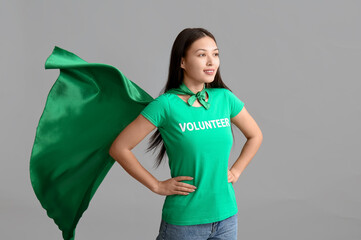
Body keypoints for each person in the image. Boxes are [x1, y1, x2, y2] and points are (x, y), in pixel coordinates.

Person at [109, 28, 263, 240]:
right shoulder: (166, 105)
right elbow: (119, 148)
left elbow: (255, 135)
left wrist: (236, 171)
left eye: (215, 54)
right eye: (202, 55)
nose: (211, 62)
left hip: (226, 218)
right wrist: (156, 185)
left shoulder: (224, 99)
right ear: (182, 62)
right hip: (184, 224)